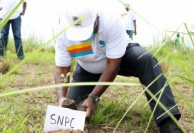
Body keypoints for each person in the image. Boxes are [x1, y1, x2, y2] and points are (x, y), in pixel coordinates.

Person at [54, 1, 182, 133]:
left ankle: (168, 121)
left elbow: (112, 65)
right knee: (74, 109)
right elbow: (61, 69)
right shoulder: (63, 32)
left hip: (120, 57)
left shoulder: (110, 21)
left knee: (146, 60)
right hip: (88, 68)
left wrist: (93, 97)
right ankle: (89, 103)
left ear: (96, 19)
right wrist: (61, 98)